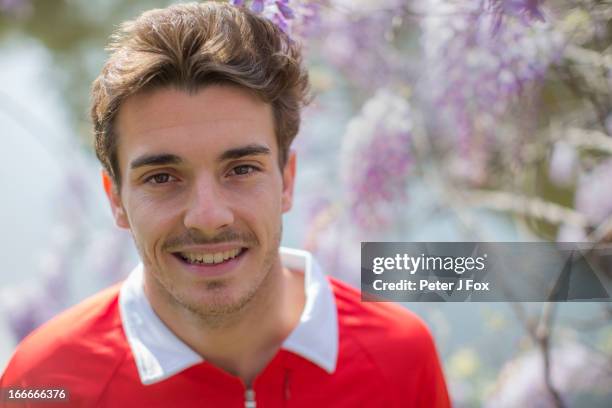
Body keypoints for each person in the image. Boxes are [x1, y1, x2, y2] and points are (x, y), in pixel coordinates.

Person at [0, 2, 450, 407]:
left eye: (241, 169)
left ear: (286, 180)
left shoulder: (399, 355)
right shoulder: (42, 384)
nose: (209, 217)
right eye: (161, 177)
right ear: (115, 199)